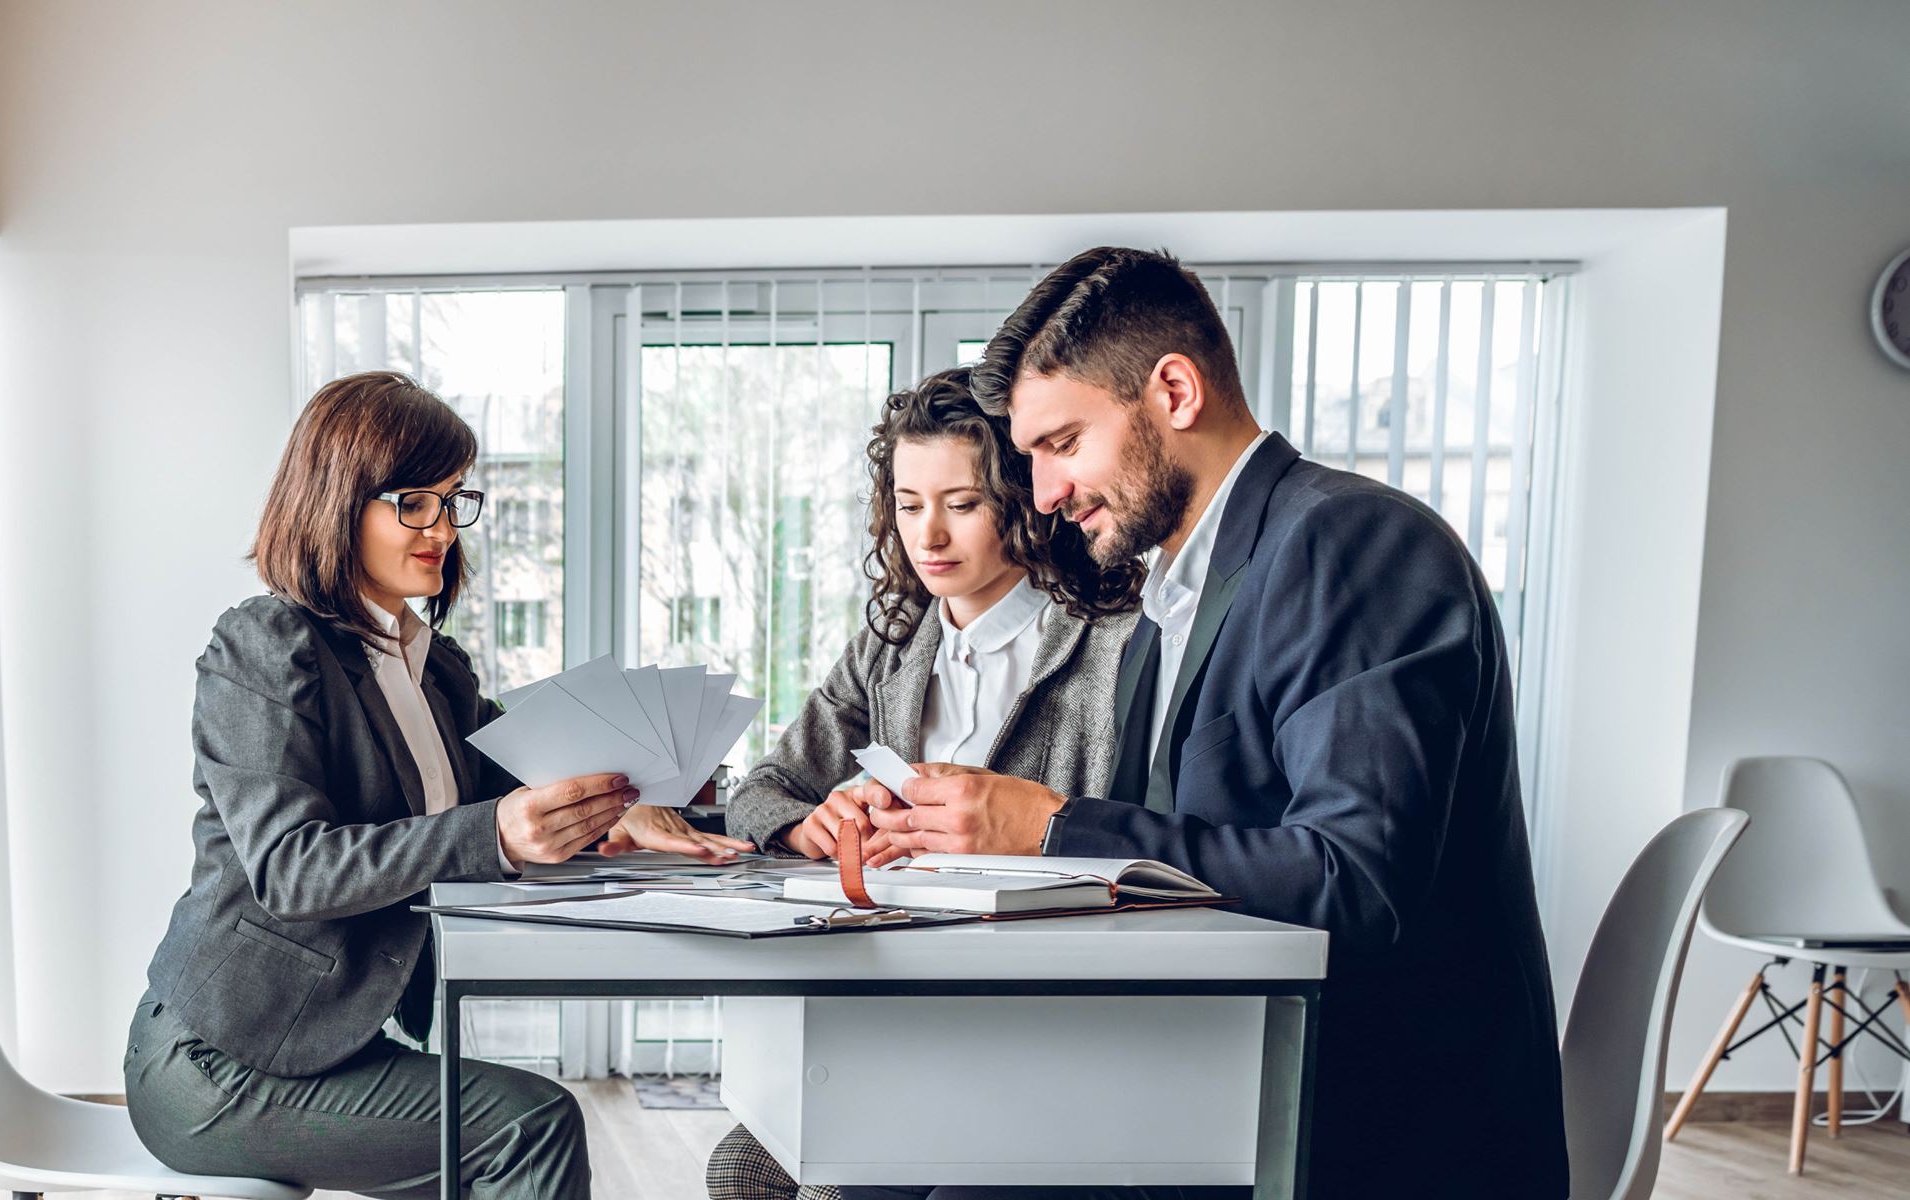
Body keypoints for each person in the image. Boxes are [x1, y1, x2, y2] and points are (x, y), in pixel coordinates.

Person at [841, 248, 1565, 1199]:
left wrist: (1051, 826)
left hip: (1353, 1125)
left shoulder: (1349, 542)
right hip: (1208, 1072)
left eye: (1061, 443)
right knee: (875, 1161)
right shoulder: (1170, 606)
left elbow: (1356, 884)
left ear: (1173, 391)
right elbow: (1172, 866)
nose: (1046, 493)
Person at [125, 371, 663, 1200]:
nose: (442, 527)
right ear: (337, 500)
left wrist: (627, 809)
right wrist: (495, 834)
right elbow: (293, 868)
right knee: (529, 1126)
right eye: (413, 501)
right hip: (216, 1062)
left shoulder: (435, 667)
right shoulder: (265, 645)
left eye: (453, 500)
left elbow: (513, 790)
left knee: (501, 1141)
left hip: (331, 1040)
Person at [638, 367, 1143, 1200]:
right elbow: (767, 784)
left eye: (962, 503)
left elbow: (1132, 837)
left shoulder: (1108, 644)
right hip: (902, 1007)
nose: (928, 535)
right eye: (908, 505)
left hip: (1038, 1020)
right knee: (741, 1169)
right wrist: (812, 827)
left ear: (1024, 501)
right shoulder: (893, 641)